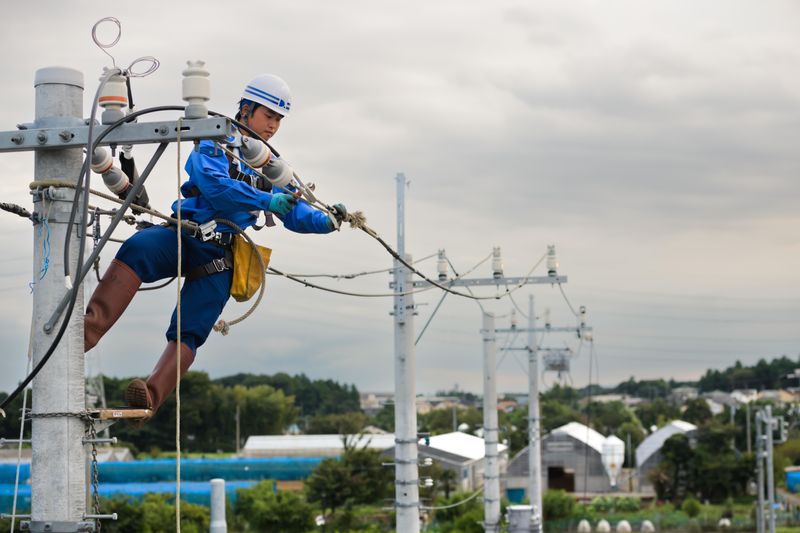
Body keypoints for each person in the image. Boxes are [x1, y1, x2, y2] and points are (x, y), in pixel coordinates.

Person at [84, 73, 345, 418]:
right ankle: (83, 337)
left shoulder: (267, 163)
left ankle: (150, 395)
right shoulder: (214, 140)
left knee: (193, 327)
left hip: (221, 254)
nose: (273, 127)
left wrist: (326, 221)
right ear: (247, 109)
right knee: (140, 248)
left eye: (279, 120)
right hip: (187, 234)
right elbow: (214, 185)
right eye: (269, 116)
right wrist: (267, 201)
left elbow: (295, 211)